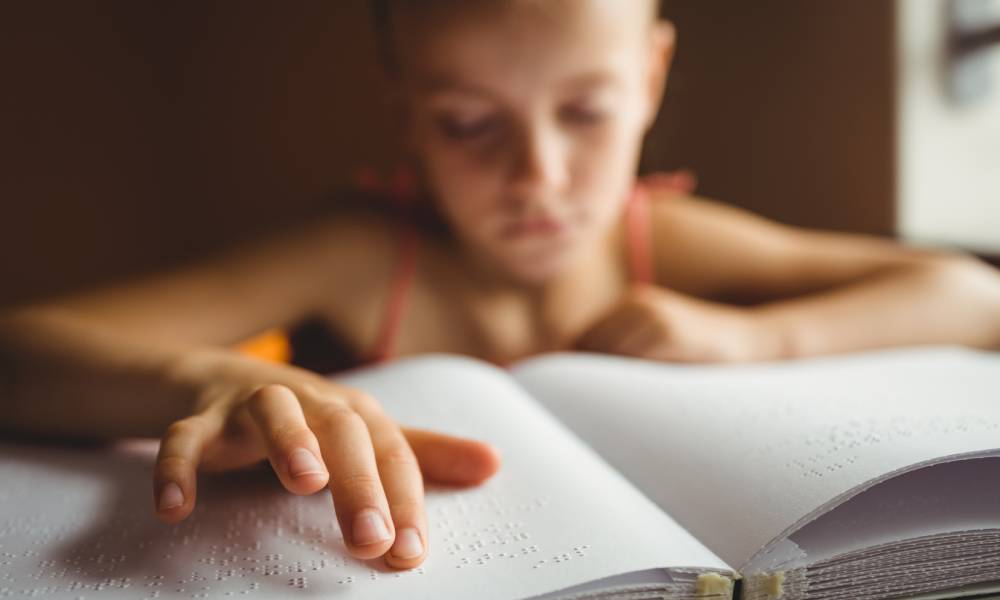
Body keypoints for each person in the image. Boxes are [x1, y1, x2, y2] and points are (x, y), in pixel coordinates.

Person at [2, 0, 999, 571]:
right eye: (470, 125)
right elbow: (20, 350)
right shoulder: (360, 251)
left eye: (588, 112)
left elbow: (967, 295)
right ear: (406, 115)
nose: (539, 179)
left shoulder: (657, 238)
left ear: (648, 81)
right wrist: (209, 382)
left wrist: (746, 338)